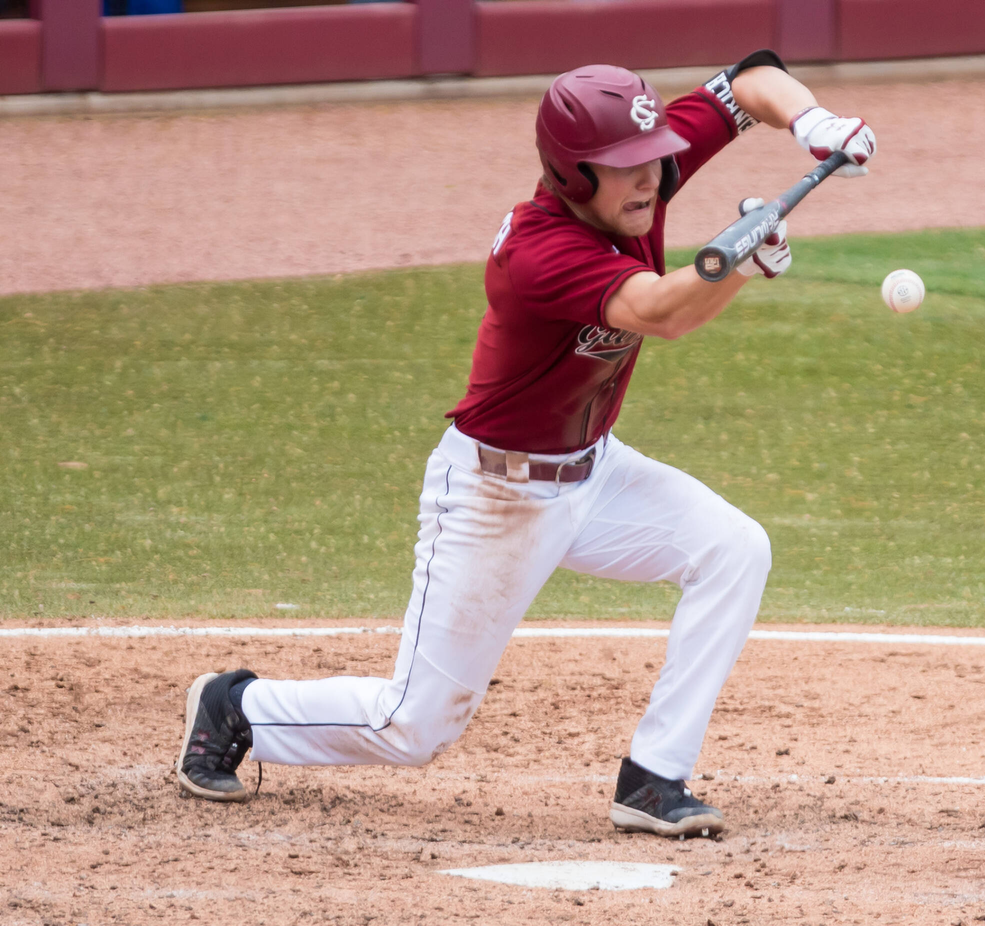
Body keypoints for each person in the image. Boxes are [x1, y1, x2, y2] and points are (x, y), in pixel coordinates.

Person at [176, 50, 875, 838]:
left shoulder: (640, 176)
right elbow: (661, 311)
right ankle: (237, 708)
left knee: (733, 549)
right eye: (626, 169)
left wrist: (813, 122)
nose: (651, 178)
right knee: (414, 727)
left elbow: (753, 80)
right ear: (574, 176)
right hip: (496, 496)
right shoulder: (540, 254)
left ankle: (654, 779)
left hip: (595, 474)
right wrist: (740, 262)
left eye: (652, 160)